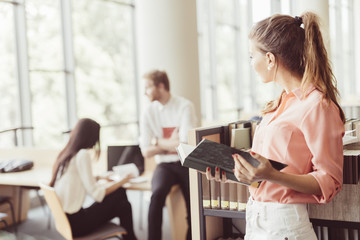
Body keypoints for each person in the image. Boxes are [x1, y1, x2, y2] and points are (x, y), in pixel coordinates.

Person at [207, 12, 345, 240]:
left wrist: (272, 175)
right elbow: (268, 171)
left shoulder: (317, 105)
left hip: (285, 227)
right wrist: (238, 172)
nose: (251, 63)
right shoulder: (278, 104)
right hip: (257, 219)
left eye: (252, 56)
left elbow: (329, 182)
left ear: (270, 59)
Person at [49, 118, 137, 240]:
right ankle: (131, 238)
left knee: (123, 203)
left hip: (67, 221)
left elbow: (77, 178)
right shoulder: (82, 154)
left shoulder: (67, 154)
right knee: (122, 198)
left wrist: (99, 177)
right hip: (77, 225)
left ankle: (131, 238)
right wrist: (122, 180)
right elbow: (97, 194)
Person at [139, 70, 197, 240]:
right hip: (164, 165)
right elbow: (145, 151)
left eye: (148, 87)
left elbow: (185, 143)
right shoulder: (148, 112)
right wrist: (169, 143)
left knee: (193, 207)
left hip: (186, 162)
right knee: (156, 196)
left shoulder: (185, 106)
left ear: (161, 86)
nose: (145, 92)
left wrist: (156, 141)